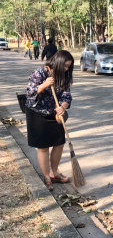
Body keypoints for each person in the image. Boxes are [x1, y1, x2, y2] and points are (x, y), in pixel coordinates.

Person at [25, 50, 74, 191]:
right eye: (65, 66)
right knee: (43, 146)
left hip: (54, 115)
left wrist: (63, 107)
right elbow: (29, 92)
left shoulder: (64, 77)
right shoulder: (40, 73)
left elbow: (66, 96)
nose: (66, 69)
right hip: (37, 113)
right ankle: (46, 176)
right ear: (57, 63)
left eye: (68, 67)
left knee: (59, 143)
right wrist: (45, 84)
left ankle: (54, 172)